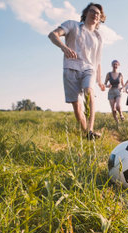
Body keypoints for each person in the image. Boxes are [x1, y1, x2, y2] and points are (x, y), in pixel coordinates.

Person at [48, 3, 106, 139]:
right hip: (70, 68)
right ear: (86, 13)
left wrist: (99, 80)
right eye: (92, 11)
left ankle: (90, 129)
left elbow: (98, 61)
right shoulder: (72, 25)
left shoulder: (98, 37)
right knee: (76, 104)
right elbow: (53, 35)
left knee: (89, 91)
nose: (95, 15)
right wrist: (64, 47)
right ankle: (87, 134)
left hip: (89, 68)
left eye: (98, 14)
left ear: (100, 19)